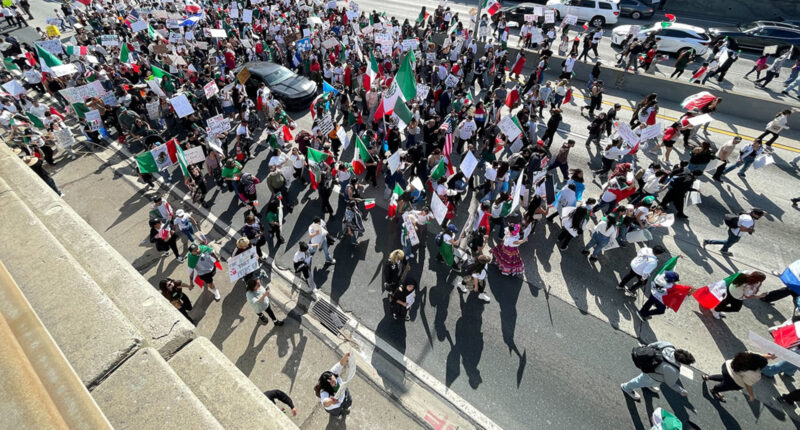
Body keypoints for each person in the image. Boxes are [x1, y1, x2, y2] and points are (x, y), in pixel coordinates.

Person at [621, 341, 696, 401]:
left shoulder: (667, 345)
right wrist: (681, 391)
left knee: (643, 380)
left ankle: (648, 385)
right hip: (652, 377)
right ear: (682, 362)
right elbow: (671, 384)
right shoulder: (673, 370)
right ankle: (626, 387)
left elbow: (650, 345)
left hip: (648, 365)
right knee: (639, 381)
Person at [703, 351, 776, 403]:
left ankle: (708, 377)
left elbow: (758, 356)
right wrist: (751, 395)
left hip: (727, 367)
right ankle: (714, 390)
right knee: (726, 385)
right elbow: (748, 384)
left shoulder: (748, 354)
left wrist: (769, 356)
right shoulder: (755, 374)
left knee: (724, 378)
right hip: (734, 381)